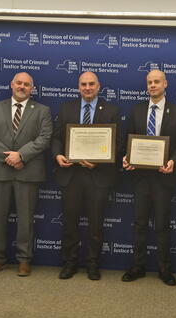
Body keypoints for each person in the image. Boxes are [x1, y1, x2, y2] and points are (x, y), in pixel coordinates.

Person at [121, 69, 176, 286]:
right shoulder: (137, 110)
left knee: (162, 226)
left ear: (165, 84)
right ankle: (138, 266)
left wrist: (173, 161)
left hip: (163, 177)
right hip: (140, 177)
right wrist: (126, 158)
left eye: (156, 81)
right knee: (140, 224)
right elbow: (128, 141)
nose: (152, 85)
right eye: (149, 82)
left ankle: (164, 269)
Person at [52, 71, 122, 281]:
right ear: (78, 87)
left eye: (91, 84)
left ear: (99, 86)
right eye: (83, 84)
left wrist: (98, 161)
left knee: (95, 225)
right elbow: (56, 138)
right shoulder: (67, 108)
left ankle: (93, 264)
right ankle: (69, 264)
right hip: (71, 175)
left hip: (97, 176)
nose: (87, 88)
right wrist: (57, 155)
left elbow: (117, 145)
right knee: (70, 223)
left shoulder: (111, 110)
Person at [0, 72, 53, 277]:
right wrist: (9, 158)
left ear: (32, 88)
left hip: (28, 172)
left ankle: (24, 260)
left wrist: (21, 155)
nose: (22, 87)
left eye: (27, 84)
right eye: (19, 83)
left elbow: (44, 138)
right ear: (11, 84)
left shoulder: (43, 111)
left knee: (25, 219)